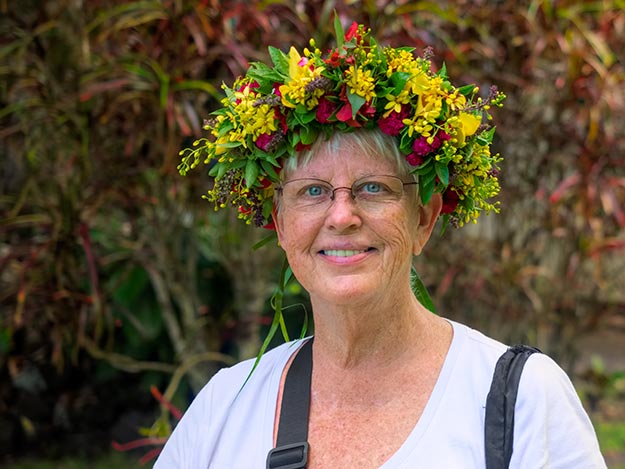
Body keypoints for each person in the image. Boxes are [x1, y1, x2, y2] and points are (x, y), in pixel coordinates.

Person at [155, 21, 606, 468]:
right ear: (280, 223)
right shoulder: (224, 408)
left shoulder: (521, 401)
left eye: (373, 188)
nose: (342, 216)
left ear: (424, 220)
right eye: (312, 191)